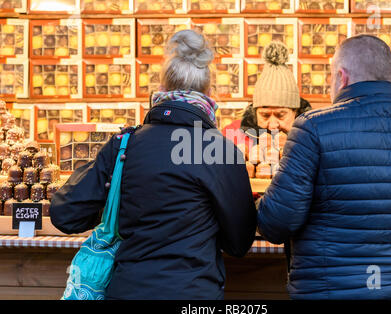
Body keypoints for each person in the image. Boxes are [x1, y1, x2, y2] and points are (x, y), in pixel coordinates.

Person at [50, 29, 257, 300]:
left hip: (129, 289)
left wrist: (114, 199)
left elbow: (66, 214)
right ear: (209, 92)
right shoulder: (220, 150)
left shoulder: (124, 144)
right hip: (195, 293)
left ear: (160, 90)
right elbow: (240, 243)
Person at [257, 34, 391, 299]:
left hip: (330, 290)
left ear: (341, 77)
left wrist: (256, 203)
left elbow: (277, 223)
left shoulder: (313, 127)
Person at [222, 42, 312, 152]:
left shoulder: (314, 138)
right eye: (265, 115)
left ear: (295, 113)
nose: (273, 126)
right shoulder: (232, 136)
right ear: (255, 113)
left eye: (281, 115)